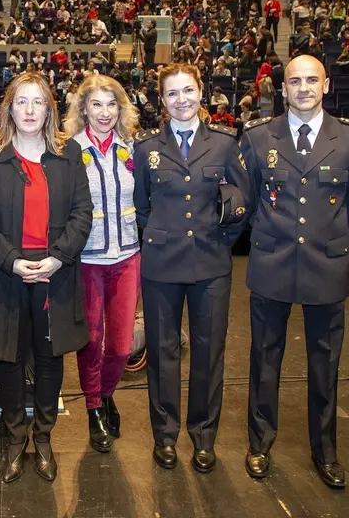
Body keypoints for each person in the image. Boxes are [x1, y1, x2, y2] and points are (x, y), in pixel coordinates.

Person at [238, 55, 349, 487]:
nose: (303, 88)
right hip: (272, 261)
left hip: (326, 264)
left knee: (325, 365)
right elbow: (250, 196)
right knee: (264, 360)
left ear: (326, 85)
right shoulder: (258, 137)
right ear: (282, 89)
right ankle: (259, 444)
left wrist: (328, 236)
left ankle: (326, 452)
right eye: (294, 81)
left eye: (311, 80)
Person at [0, 73, 92, 483]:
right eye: (22, 102)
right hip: (8, 273)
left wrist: (57, 258)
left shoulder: (69, 153)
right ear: (8, 108)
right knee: (9, 356)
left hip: (54, 273)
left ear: (50, 109)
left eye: (39, 102)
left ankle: (43, 436)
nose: (30, 110)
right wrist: (11, 261)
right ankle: (16, 435)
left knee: (50, 357)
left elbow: (82, 214)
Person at [132, 63, 250, 472]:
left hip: (211, 265)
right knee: (162, 355)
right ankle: (164, 436)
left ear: (201, 93)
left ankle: (204, 437)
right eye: (171, 93)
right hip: (162, 265)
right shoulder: (146, 147)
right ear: (162, 100)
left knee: (208, 353)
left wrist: (219, 243)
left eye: (187, 91)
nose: (181, 100)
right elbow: (142, 208)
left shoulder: (224, 144)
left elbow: (240, 205)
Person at [63, 74, 141, 453]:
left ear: (121, 108)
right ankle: (94, 408)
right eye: (97, 104)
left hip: (128, 256)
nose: (105, 112)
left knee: (123, 346)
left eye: (112, 104)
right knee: (91, 341)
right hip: (86, 260)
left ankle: (106, 392)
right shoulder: (67, 151)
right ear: (84, 109)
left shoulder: (133, 149)